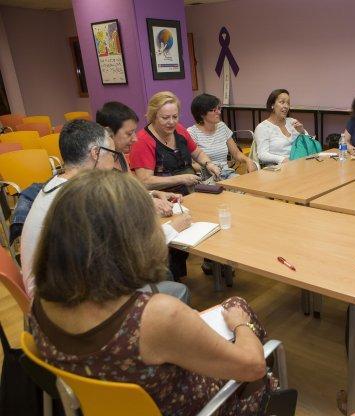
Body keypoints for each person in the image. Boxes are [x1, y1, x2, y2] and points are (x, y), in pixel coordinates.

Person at [28, 170, 270, 416]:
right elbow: (253, 367)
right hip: (194, 406)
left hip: (106, 407)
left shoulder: (41, 302)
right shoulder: (156, 315)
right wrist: (241, 326)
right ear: (133, 238)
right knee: (238, 308)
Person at [19, 120, 190, 302]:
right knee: (168, 280)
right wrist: (174, 228)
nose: (114, 163)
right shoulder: (81, 198)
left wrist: (150, 196)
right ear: (95, 153)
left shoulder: (56, 186)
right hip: (69, 302)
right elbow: (129, 251)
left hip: (52, 292)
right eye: (112, 154)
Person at [96, 101, 181, 217]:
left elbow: (131, 190)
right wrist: (148, 202)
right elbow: (111, 207)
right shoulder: (97, 163)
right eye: (129, 134)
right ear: (108, 133)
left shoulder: (119, 154)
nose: (135, 139)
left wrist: (154, 194)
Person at [129, 91, 219, 195]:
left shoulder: (179, 129)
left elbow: (197, 153)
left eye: (175, 117)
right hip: (165, 198)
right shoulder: (143, 141)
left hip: (191, 191)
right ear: (153, 117)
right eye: (165, 118)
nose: (171, 122)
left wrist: (209, 164)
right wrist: (180, 179)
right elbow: (145, 182)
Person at [187, 94, 257, 179]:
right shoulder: (192, 133)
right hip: (207, 177)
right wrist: (211, 168)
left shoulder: (222, 126)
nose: (219, 112)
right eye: (214, 110)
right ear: (202, 114)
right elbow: (192, 164)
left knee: (246, 186)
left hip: (226, 173)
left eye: (219, 108)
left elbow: (236, 153)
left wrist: (248, 160)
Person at [254, 89, 307, 165]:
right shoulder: (262, 128)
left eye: (288, 103)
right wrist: (282, 160)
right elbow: (262, 154)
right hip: (278, 168)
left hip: (299, 163)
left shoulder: (292, 121)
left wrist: (302, 132)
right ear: (272, 105)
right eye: (282, 102)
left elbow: (308, 141)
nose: (286, 106)